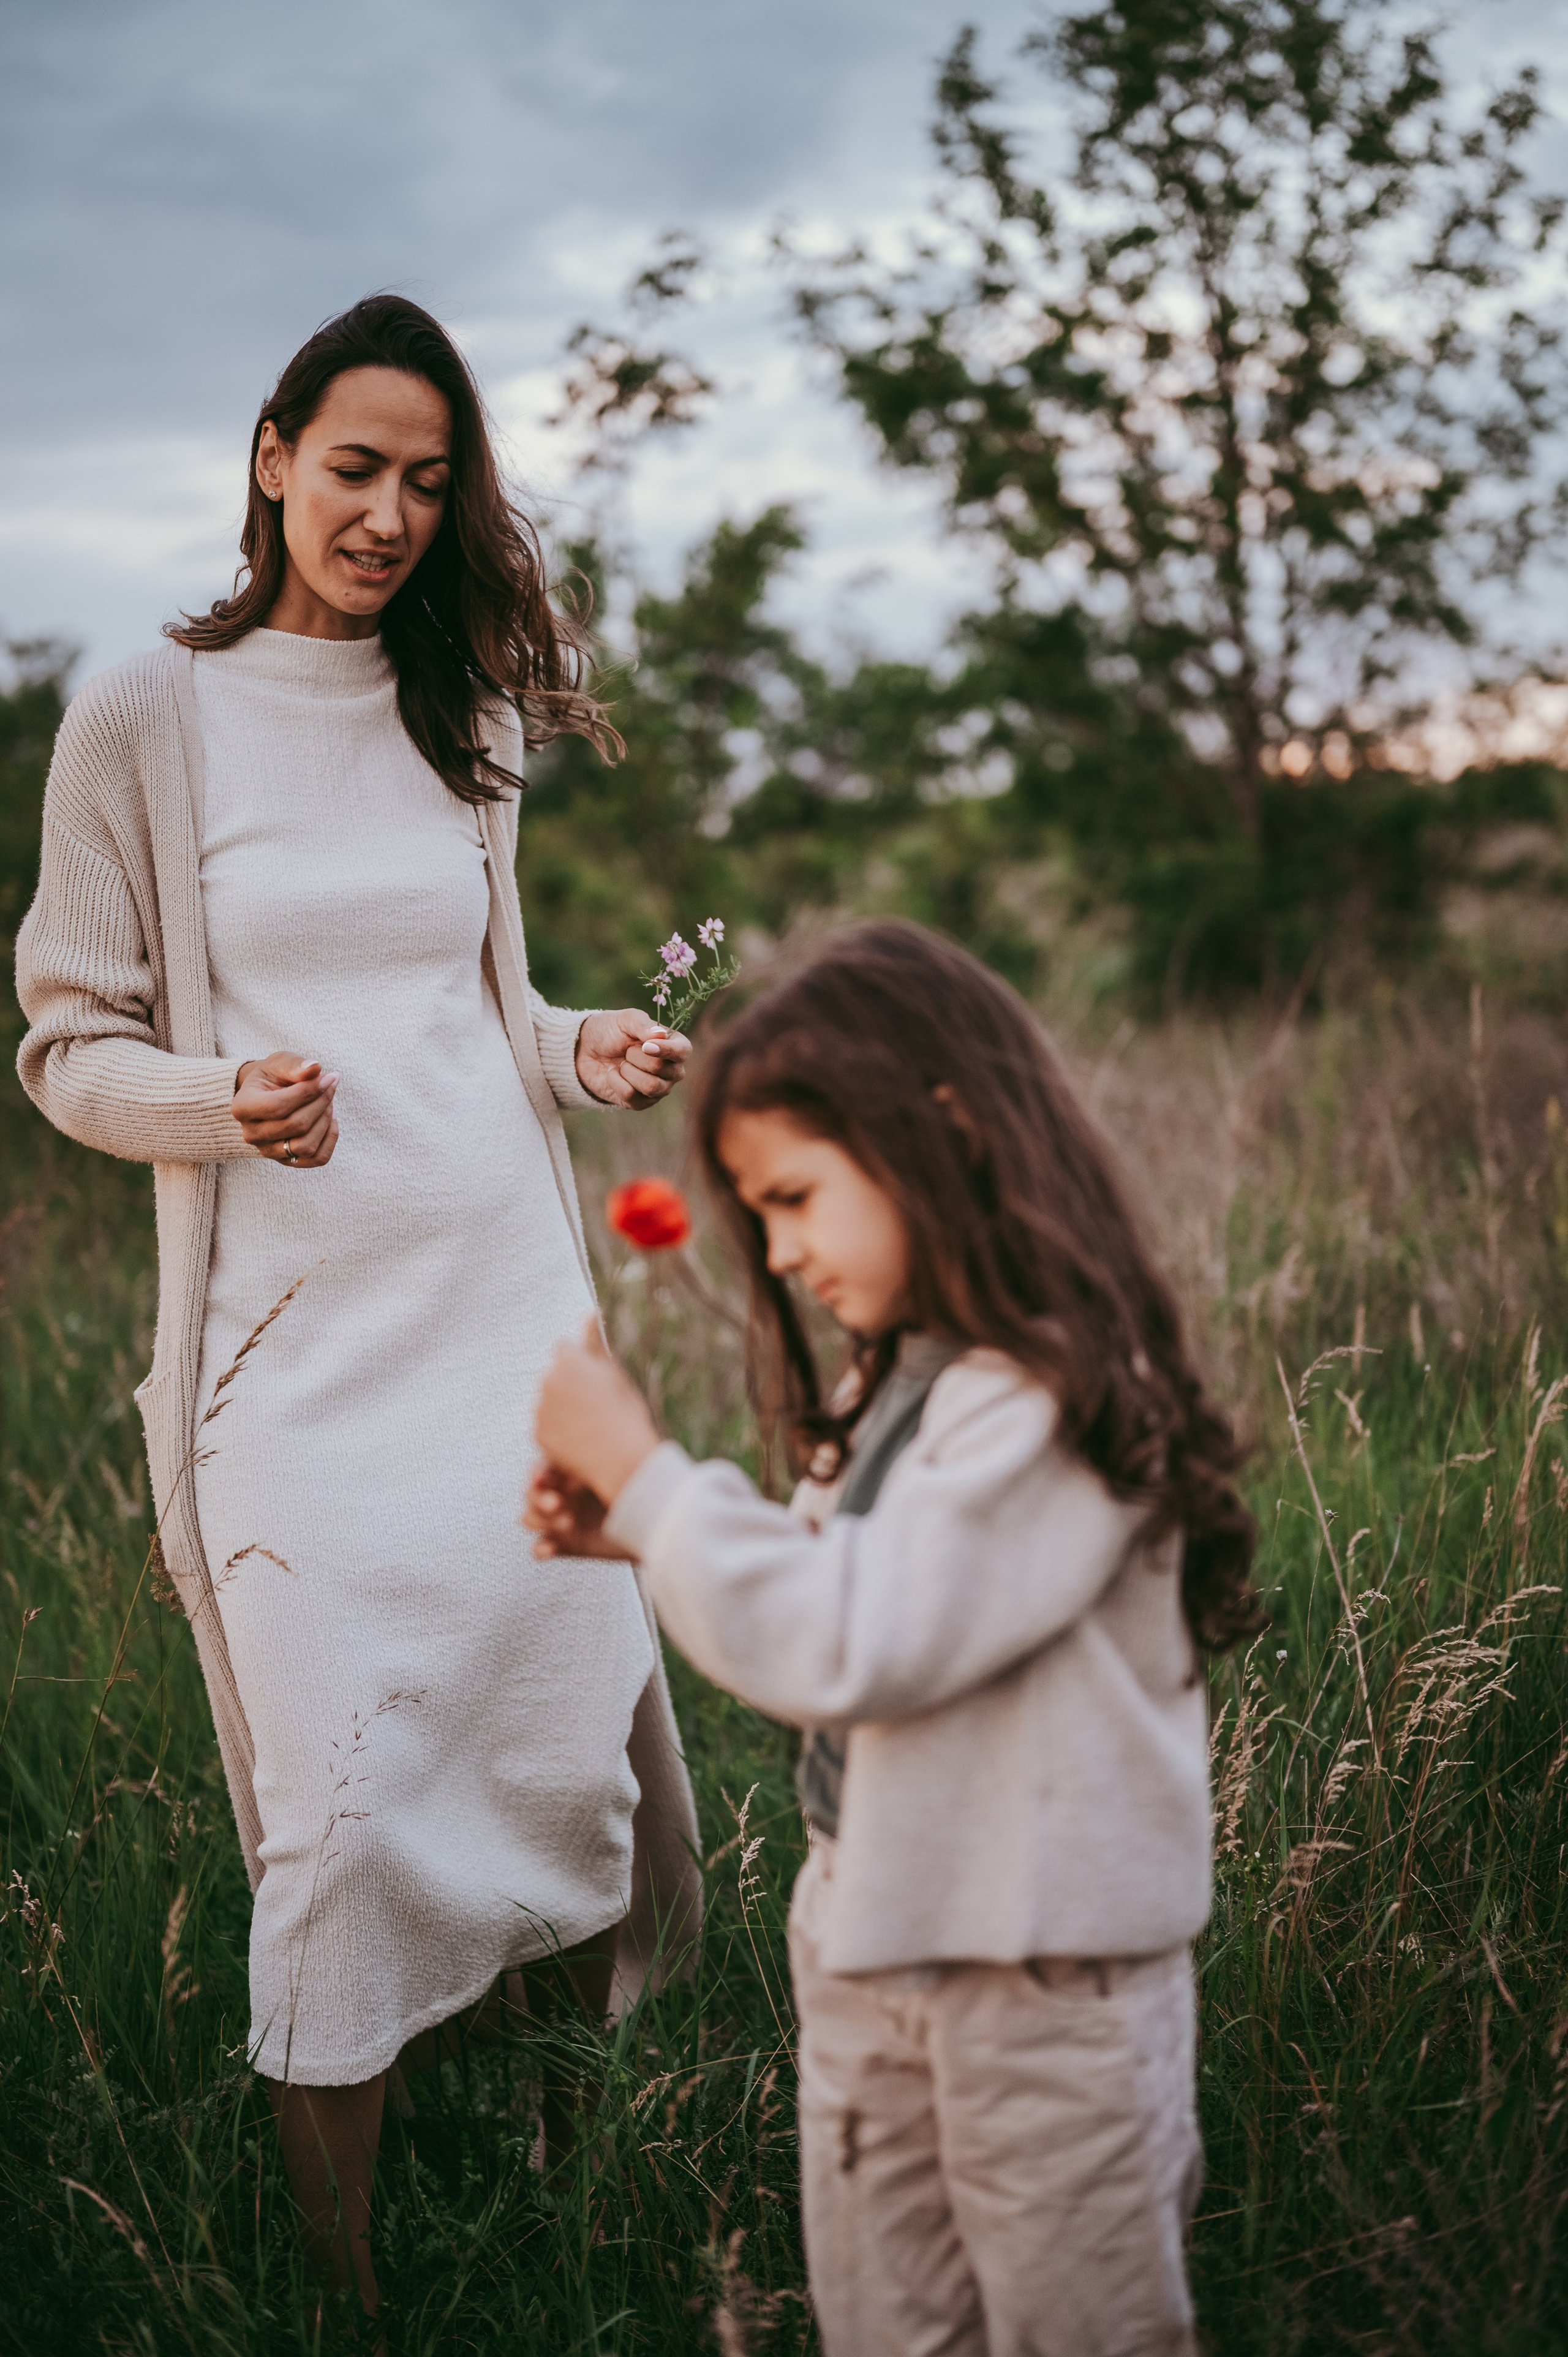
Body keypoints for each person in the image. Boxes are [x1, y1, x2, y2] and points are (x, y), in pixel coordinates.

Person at [15, 294, 701, 2318]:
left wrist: (589, 1049)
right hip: (289, 1354)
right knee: (333, 1804)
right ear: (269, 456)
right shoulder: (149, 708)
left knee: (559, 1741)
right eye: (353, 467)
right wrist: (213, 1097)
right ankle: (343, 2292)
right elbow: (65, 1038)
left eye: (428, 480)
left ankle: (574, 2169)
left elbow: (484, 1004)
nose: (389, 512)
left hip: (506, 1314)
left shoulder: (463, 713)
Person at [525, 918, 1263, 2357]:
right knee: (891, 2320)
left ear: (941, 1136)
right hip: (875, 1943)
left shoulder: (1049, 1394)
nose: (785, 1255)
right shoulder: (906, 1377)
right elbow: (858, 1575)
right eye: (760, 1216)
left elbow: (858, 1635)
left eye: (796, 1198)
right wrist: (637, 1526)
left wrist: (660, 1481)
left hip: (1043, 1990)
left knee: (1074, 2327)